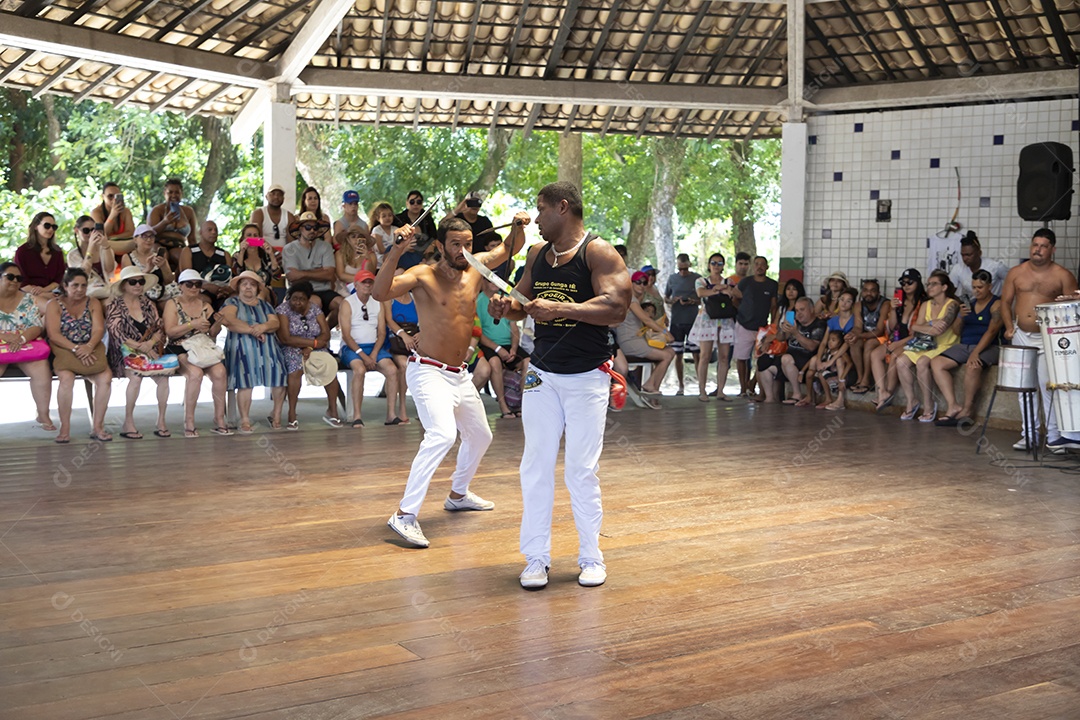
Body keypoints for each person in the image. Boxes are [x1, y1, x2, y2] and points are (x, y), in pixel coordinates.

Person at [487, 181, 631, 590]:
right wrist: (507, 308)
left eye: (540, 209)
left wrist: (560, 309)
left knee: (581, 471)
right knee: (535, 465)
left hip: (587, 376)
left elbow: (617, 308)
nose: (535, 218)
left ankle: (591, 556)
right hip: (542, 373)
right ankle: (536, 558)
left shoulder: (598, 252)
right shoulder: (537, 254)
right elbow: (520, 302)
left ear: (562, 208)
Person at [373, 212, 528, 549]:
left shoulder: (476, 268)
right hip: (427, 370)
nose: (463, 250)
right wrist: (395, 251)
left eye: (468, 244)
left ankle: (457, 495)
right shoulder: (423, 275)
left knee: (481, 435)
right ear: (440, 246)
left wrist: (518, 226)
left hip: (459, 374)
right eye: (456, 244)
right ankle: (404, 515)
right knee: (442, 434)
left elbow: (511, 247)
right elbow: (379, 292)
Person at [1000, 228, 1080, 452]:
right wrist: (1008, 327)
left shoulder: (1062, 274)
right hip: (1021, 334)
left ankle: (1054, 436)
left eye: (1044, 246)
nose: (1038, 249)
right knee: (1024, 387)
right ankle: (1029, 435)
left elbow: (1074, 305)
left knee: (1048, 386)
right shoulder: (1016, 272)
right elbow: (1005, 302)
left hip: (1049, 336)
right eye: (1035, 244)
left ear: (1052, 250)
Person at [45, 268, 112, 443]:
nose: (80, 289)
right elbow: (54, 334)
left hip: (90, 345)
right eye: (75, 285)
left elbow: (98, 329)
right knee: (66, 379)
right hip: (64, 347)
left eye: (83, 285)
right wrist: (76, 349)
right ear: (65, 286)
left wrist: (88, 347)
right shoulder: (54, 304)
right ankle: (65, 428)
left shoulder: (93, 302)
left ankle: (98, 427)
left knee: (105, 377)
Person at [106, 265, 172, 439]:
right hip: (124, 351)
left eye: (141, 282)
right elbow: (115, 331)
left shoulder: (148, 303)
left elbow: (159, 327)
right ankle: (128, 421)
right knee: (136, 377)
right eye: (133, 282)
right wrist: (138, 345)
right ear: (124, 285)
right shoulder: (115, 304)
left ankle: (161, 420)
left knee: (163, 378)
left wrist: (150, 344)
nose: (137, 285)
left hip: (149, 349)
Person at [163, 269, 231, 437]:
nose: (194, 288)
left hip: (201, 347)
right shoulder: (172, 304)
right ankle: (189, 420)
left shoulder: (205, 305)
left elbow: (213, 333)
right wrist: (192, 325)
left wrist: (217, 323)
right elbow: (170, 332)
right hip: (178, 346)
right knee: (195, 373)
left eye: (198, 284)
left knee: (220, 372)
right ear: (180, 286)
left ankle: (219, 418)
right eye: (189, 284)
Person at [218, 271, 288, 433]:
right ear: (238, 287)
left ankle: (276, 415)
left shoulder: (265, 305)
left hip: (267, 346)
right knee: (245, 377)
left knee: (278, 373)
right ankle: (244, 419)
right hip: (241, 345)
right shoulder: (231, 302)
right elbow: (230, 322)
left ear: (257, 288)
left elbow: (274, 322)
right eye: (244, 284)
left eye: (252, 284)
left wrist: (262, 327)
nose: (248, 287)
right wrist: (253, 331)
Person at [931, 269, 1003, 426]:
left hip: (989, 347)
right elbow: (957, 331)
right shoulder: (969, 303)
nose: (976, 291)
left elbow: (991, 332)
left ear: (990, 287)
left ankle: (967, 410)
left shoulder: (996, 304)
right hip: (965, 345)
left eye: (980, 287)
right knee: (936, 363)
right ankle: (953, 405)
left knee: (972, 366)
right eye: (974, 287)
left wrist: (976, 353)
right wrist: (960, 317)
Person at [275, 281, 343, 430]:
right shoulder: (283, 310)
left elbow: (326, 333)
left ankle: (332, 410)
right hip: (291, 348)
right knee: (296, 369)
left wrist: (311, 346)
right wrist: (312, 343)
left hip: (315, 348)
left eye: (302, 299)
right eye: (294, 298)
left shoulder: (315, 310)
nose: (297, 302)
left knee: (329, 366)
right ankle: (292, 413)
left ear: (308, 299)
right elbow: (285, 338)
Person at [895, 270, 961, 422]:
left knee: (922, 362)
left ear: (944, 287)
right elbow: (915, 328)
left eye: (934, 284)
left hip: (945, 344)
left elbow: (941, 329)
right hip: (925, 343)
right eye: (928, 284)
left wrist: (924, 326)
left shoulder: (953, 304)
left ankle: (929, 404)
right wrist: (931, 323)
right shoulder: (926, 304)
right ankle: (912, 401)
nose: (929, 287)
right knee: (901, 362)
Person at [339, 269, 400, 427]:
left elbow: (381, 333)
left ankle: (391, 415)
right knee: (359, 370)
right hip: (352, 348)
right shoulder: (347, 303)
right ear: (356, 285)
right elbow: (346, 335)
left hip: (374, 347)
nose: (367, 285)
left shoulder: (378, 303)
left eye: (370, 282)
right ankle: (357, 416)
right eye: (363, 282)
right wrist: (364, 356)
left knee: (392, 370)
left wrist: (373, 353)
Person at [0, 261, 55, 430]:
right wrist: (5, 336)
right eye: (10, 277)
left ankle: (43, 414)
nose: (15, 281)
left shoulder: (28, 299)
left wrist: (21, 339)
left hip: (25, 344)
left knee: (41, 368)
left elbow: (36, 325)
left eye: (19, 278)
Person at [614, 271, 674, 405]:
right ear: (631, 283)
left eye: (644, 282)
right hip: (629, 341)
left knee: (670, 351)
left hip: (639, 339)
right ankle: (650, 387)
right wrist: (665, 332)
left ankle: (651, 386)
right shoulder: (630, 299)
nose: (641, 285)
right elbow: (646, 320)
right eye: (638, 282)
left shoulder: (639, 299)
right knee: (666, 355)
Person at [873, 269, 926, 412]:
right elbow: (891, 327)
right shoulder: (899, 302)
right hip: (897, 338)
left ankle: (889, 392)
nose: (906, 285)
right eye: (903, 283)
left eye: (910, 282)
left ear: (918, 283)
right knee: (875, 354)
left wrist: (898, 343)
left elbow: (918, 333)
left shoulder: (923, 303)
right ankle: (882, 391)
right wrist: (894, 309)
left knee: (895, 354)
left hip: (914, 340)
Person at [476, 278, 530, 418]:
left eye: (497, 281)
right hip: (489, 344)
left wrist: (513, 348)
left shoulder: (506, 299)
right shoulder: (478, 301)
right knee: (494, 362)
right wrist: (498, 349)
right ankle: (503, 406)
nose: (494, 284)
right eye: (490, 281)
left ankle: (524, 404)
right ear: (484, 283)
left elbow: (515, 328)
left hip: (508, 344)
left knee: (528, 361)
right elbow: (478, 332)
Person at [688, 253, 735, 402]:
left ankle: (720, 390)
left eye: (720, 263)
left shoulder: (730, 281)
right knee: (705, 356)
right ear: (709, 265)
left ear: (723, 266)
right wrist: (719, 289)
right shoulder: (700, 281)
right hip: (707, 320)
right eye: (713, 263)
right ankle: (702, 391)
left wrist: (725, 288)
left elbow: (737, 293)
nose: (716, 266)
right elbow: (701, 293)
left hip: (725, 321)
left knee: (724, 356)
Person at [761, 296, 824, 405]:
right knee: (764, 364)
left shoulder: (819, 325)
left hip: (806, 361)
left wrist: (796, 333)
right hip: (789, 362)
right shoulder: (796, 322)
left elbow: (812, 347)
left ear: (812, 309)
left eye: (802, 310)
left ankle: (797, 394)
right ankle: (770, 399)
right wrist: (783, 329)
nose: (799, 313)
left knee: (786, 358)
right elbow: (781, 338)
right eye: (797, 310)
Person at [731, 255, 778, 397]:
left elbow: (774, 306)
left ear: (767, 267)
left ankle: (753, 384)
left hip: (762, 328)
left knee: (762, 358)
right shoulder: (745, 282)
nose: (759, 266)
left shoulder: (772, 284)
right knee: (742, 358)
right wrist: (742, 312)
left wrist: (772, 326)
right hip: (743, 324)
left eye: (762, 264)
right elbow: (735, 298)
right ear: (753, 266)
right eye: (757, 264)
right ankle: (743, 388)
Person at [282, 211, 341, 322]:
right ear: (300, 229)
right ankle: (313, 335)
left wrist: (302, 273)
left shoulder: (326, 246)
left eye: (315, 227)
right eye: (308, 227)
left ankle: (325, 332)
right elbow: (292, 277)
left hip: (324, 289)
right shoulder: (289, 248)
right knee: (315, 302)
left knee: (342, 305)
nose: (312, 230)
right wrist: (319, 271)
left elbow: (329, 274)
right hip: (299, 290)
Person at [382, 268, 417, 425]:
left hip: (414, 337)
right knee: (404, 365)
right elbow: (389, 320)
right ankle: (402, 406)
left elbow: (423, 317)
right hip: (394, 339)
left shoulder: (414, 297)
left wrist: (420, 334)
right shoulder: (388, 298)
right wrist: (403, 334)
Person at [663, 253, 701, 395]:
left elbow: (702, 299)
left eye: (685, 269)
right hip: (677, 321)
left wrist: (693, 301)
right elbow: (666, 298)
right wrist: (672, 300)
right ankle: (681, 386)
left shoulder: (697, 278)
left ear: (689, 265)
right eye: (680, 269)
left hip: (693, 321)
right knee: (677, 354)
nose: (683, 272)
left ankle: (700, 386)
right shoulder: (672, 279)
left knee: (696, 354)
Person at [16, 211, 67, 312]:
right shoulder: (23, 251)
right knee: (52, 310)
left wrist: (45, 290)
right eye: (47, 226)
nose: (51, 229)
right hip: (28, 294)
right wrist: (42, 293)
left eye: (54, 227)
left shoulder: (57, 251)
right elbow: (21, 281)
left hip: (53, 293)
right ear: (36, 226)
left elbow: (58, 278)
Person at [178, 220, 234, 309]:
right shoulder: (189, 251)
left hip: (220, 292)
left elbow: (229, 278)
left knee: (233, 300)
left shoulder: (225, 254)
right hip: (196, 290)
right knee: (205, 301)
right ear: (200, 232)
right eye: (209, 229)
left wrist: (224, 290)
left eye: (216, 230)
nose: (213, 232)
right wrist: (206, 286)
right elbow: (186, 277)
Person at [122, 224, 176, 308]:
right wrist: (147, 270)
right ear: (135, 239)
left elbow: (169, 281)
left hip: (160, 294)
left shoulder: (158, 257)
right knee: (150, 305)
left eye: (152, 236)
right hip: (138, 294)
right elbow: (128, 283)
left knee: (170, 305)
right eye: (144, 236)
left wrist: (164, 266)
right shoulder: (127, 257)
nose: (148, 239)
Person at [146, 178, 198, 268]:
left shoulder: (189, 211)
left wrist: (197, 255)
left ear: (181, 194)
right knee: (161, 257)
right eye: (170, 192)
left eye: (177, 192)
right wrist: (165, 222)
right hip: (159, 244)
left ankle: (183, 281)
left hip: (179, 246)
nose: (174, 195)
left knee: (184, 259)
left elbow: (192, 238)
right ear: (164, 194)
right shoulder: (157, 210)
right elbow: (148, 232)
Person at [849, 279, 887, 393]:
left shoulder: (885, 304)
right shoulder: (858, 305)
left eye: (872, 290)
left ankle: (866, 380)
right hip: (866, 334)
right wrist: (852, 334)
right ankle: (860, 377)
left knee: (869, 343)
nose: (868, 293)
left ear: (878, 293)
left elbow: (879, 331)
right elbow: (857, 327)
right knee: (854, 342)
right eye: (865, 290)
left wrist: (859, 335)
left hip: (883, 337)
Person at [948, 230, 1008, 302]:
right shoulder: (958, 269)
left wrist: (1005, 301)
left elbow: (1014, 281)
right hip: (973, 307)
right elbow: (948, 292)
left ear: (979, 253)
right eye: (962, 255)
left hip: (994, 305)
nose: (965, 258)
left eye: (968, 255)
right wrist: (961, 305)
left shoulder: (995, 266)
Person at [67, 215, 116, 297]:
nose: (90, 234)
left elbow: (109, 269)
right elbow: (83, 274)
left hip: (106, 290)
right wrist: (91, 247)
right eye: (86, 230)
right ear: (76, 230)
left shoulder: (103, 249)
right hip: (87, 293)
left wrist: (106, 246)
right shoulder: (72, 255)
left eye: (93, 230)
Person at [233, 223, 280, 303]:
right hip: (243, 292)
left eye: (255, 235)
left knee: (259, 296)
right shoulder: (237, 256)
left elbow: (277, 276)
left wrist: (271, 254)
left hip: (264, 291)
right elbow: (236, 275)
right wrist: (242, 252)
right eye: (249, 235)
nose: (252, 238)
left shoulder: (265, 257)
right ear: (243, 239)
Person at [804, 329, 851, 410]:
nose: (829, 342)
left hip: (840, 376)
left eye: (833, 340)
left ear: (840, 343)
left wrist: (842, 378)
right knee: (814, 373)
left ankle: (828, 398)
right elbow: (813, 358)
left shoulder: (842, 353)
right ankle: (813, 398)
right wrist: (802, 371)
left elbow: (850, 364)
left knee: (822, 373)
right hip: (830, 375)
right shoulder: (827, 351)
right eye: (829, 339)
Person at [392, 190, 439, 269]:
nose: (415, 204)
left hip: (425, 253)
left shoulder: (427, 218)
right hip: (405, 252)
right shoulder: (397, 218)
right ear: (407, 203)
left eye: (419, 202)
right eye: (412, 202)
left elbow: (435, 236)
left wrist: (431, 246)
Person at [89, 182, 136, 255]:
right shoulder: (96, 212)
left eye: (117, 196)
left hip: (123, 246)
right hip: (105, 249)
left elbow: (131, 233)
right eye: (110, 196)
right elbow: (101, 234)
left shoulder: (125, 211)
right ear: (103, 197)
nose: (114, 199)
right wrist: (113, 215)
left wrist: (112, 238)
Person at [249, 184, 296, 253]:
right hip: (262, 253)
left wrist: (286, 254)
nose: (276, 197)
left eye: (279, 195)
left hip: (284, 255)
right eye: (273, 194)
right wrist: (273, 252)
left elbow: (292, 242)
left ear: (283, 198)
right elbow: (254, 239)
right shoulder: (258, 214)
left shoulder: (289, 216)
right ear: (266, 197)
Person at [335, 226, 377, 296]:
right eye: (353, 236)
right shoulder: (340, 253)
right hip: (345, 288)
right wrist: (361, 280)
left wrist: (366, 257)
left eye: (360, 237)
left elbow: (370, 274)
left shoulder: (371, 255)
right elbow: (341, 276)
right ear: (348, 239)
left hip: (366, 287)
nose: (357, 239)